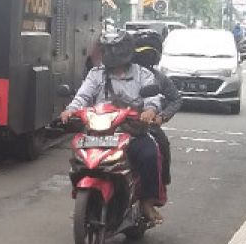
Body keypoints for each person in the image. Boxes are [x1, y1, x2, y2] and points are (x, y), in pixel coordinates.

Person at [61, 30, 168, 226]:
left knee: (150, 154)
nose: (109, 53)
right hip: (100, 132)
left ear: (125, 50)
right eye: (106, 49)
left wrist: (150, 110)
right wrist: (71, 110)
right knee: (78, 156)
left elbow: (152, 98)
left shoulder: (141, 74)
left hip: (132, 132)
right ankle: (83, 200)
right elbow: (83, 96)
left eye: (113, 49)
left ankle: (146, 202)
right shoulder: (96, 74)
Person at [130, 29, 184, 185]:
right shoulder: (120, 73)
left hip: (146, 126)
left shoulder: (160, 78)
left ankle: (157, 189)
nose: (145, 57)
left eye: (150, 53)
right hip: (117, 124)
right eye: (142, 53)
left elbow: (176, 99)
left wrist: (162, 117)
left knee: (162, 146)